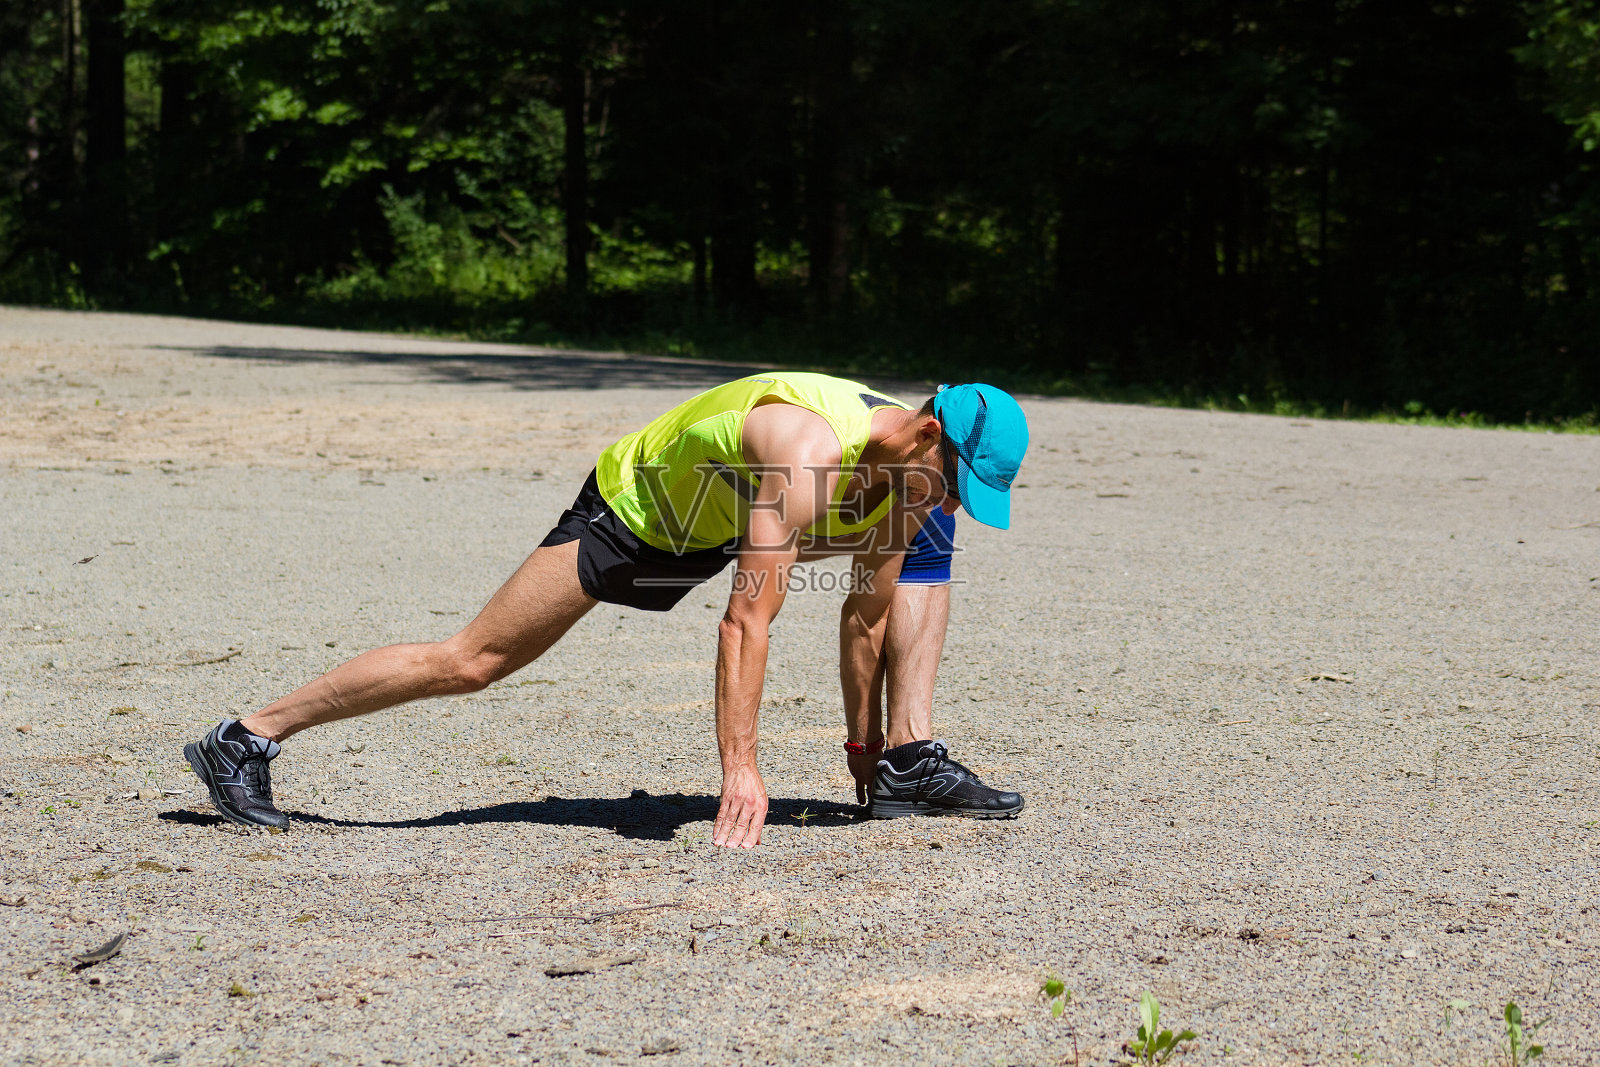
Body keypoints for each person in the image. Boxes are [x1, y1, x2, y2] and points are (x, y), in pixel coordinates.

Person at [184, 372, 1029, 848]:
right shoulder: (804, 444)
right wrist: (740, 766)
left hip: (714, 522)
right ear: (927, 434)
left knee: (913, 570)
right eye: (959, 482)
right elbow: (746, 622)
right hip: (636, 513)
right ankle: (245, 734)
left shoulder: (914, 485)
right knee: (476, 660)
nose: (951, 501)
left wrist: (864, 750)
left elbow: (867, 612)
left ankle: (910, 764)